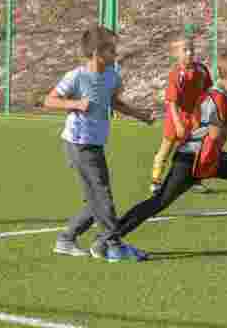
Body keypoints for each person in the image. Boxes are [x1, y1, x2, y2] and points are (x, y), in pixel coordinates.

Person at [115, 48, 227, 252]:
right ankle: (111, 236)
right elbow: (216, 134)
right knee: (158, 202)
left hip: (207, 157)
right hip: (191, 158)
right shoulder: (214, 99)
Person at [43, 25, 154, 262]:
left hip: (95, 142)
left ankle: (66, 239)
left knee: (96, 201)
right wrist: (75, 104)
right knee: (102, 197)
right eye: (111, 50)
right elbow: (49, 100)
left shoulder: (112, 76)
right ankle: (112, 245)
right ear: (96, 53)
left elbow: (115, 102)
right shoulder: (77, 76)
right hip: (78, 143)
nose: (116, 54)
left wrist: (140, 115)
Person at [151, 27, 213, 195]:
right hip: (176, 116)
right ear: (176, 54)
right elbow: (171, 102)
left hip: (195, 118)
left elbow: (208, 91)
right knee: (166, 147)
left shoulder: (201, 70)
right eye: (185, 50)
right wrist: (178, 123)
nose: (190, 53)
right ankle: (156, 180)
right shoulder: (176, 74)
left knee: (196, 149)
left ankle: (195, 180)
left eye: (192, 49)